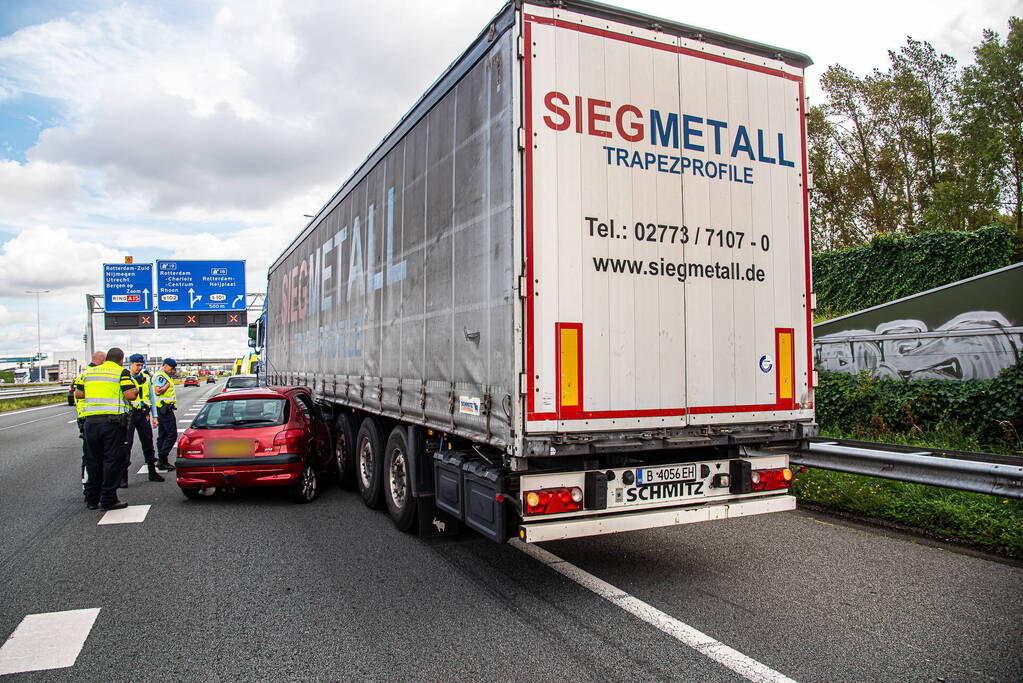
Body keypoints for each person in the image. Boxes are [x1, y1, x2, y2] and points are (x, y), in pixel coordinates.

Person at [75, 347, 137, 510]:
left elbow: (78, 394)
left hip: (90, 422)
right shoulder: (121, 372)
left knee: (93, 460)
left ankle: (91, 499)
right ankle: (108, 499)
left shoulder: (89, 373)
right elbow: (131, 395)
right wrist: (136, 389)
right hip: (112, 423)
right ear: (121, 360)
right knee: (112, 460)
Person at [125, 354, 164, 483]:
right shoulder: (125, 378)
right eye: (137, 365)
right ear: (130, 364)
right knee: (126, 445)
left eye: (141, 365)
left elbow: (152, 398)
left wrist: (155, 416)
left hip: (143, 415)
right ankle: (123, 476)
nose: (139, 368)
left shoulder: (146, 378)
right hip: (129, 415)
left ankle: (152, 472)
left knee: (148, 444)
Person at [74, 350, 106, 484]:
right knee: (91, 455)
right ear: (102, 362)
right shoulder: (93, 375)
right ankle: (89, 483)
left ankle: (89, 484)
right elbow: (79, 395)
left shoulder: (84, 374)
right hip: (90, 417)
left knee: (91, 455)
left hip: (87, 417)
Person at [153, 357, 178, 471]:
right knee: (172, 435)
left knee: (162, 436)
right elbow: (157, 391)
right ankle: (162, 458)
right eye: (172, 368)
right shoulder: (161, 376)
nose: (172, 370)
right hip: (164, 409)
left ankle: (162, 461)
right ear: (165, 365)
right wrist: (166, 386)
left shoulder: (165, 375)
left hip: (163, 409)